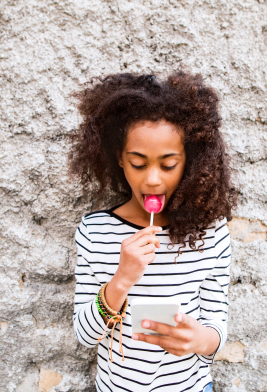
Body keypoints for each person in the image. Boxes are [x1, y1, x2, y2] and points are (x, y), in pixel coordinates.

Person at [69, 72, 236, 392]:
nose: (153, 180)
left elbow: (216, 329)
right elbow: (85, 335)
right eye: (139, 163)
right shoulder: (96, 233)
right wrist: (121, 280)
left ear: (189, 162)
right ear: (120, 158)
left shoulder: (212, 234)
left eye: (168, 164)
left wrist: (198, 339)